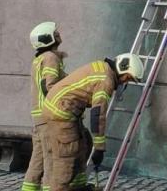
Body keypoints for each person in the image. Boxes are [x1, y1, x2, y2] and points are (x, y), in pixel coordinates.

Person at [41, 54, 145, 191]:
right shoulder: (106, 81)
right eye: (128, 77)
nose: (126, 82)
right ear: (122, 69)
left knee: (83, 145)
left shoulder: (103, 68)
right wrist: (100, 148)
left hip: (63, 109)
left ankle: (78, 187)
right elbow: (98, 116)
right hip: (61, 113)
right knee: (66, 157)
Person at [22, 22, 66, 191]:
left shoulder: (39, 59)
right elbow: (51, 86)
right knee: (51, 160)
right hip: (48, 118)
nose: (58, 34)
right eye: (55, 32)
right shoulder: (50, 58)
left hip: (39, 119)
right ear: (49, 38)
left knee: (37, 160)